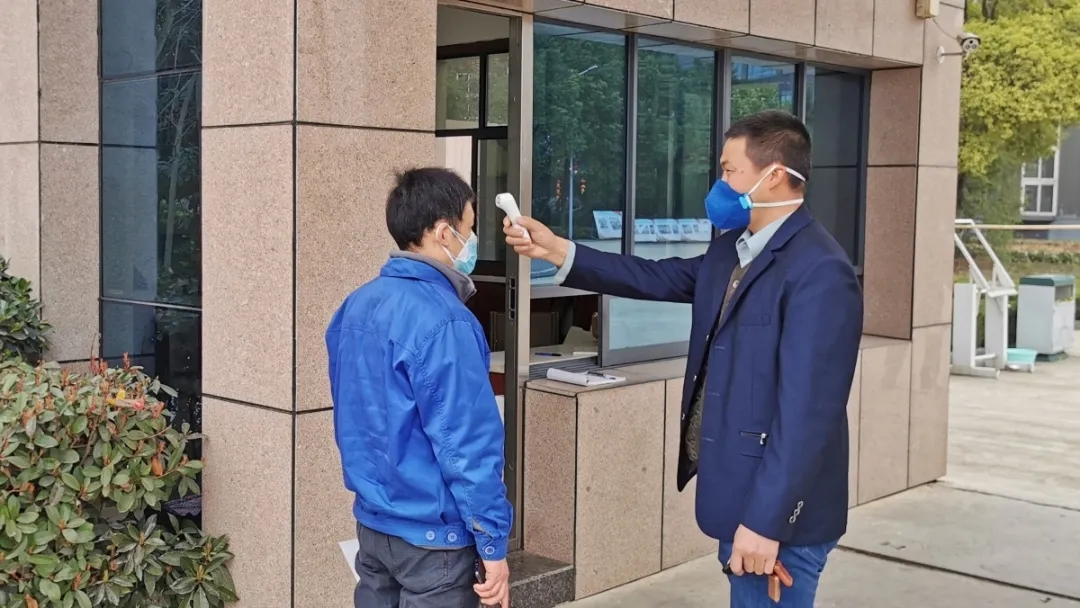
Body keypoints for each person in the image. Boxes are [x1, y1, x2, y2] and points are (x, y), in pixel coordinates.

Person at [503, 110, 862, 608]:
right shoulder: (731, 252)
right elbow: (655, 276)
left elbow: (809, 416)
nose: (720, 184)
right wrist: (557, 250)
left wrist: (767, 522)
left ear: (775, 175)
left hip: (779, 523)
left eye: (730, 170)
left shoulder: (820, 269)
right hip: (740, 499)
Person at [328, 167, 512, 608]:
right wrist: (493, 544)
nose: (472, 241)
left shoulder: (355, 306)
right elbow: (468, 444)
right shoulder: (447, 321)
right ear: (444, 233)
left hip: (374, 527)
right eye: (469, 228)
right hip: (434, 542)